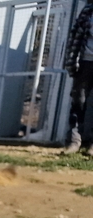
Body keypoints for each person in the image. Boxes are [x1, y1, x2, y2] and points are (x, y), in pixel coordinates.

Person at [64, 2, 93, 154]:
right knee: (78, 103)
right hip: (84, 63)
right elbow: (74, 35)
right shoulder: (88, 10)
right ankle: (74, 142)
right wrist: (71, 59)